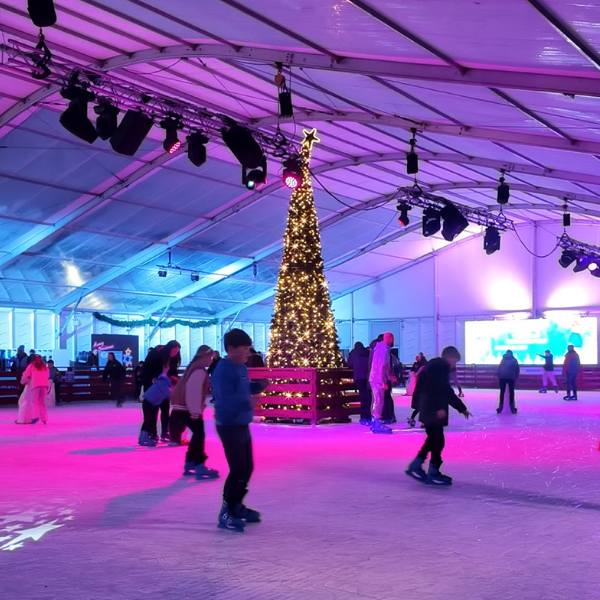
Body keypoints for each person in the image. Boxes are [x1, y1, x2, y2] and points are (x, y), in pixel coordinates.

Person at [211, 329, 269, 532]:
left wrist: (257, 387)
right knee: (238, 468)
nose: (248, 352)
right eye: (244, 348)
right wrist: (249, 403)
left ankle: (236, 505)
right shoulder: (223, 370)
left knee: (247, 467)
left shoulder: (241, 368)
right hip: (228, 425)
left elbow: (243, 387)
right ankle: (227, 511)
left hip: (241, 423)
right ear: (231, 349)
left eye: (248, 348)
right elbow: (225, 400)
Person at [405, 346, 471, 485]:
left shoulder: (436, 365)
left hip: (427, 407)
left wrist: (461, 408)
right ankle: (432, 471)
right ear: (450, 358)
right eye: (455, 361)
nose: (454, 365)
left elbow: (443, 390)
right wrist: (439, 408)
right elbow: (439, 390)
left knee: (433, 439)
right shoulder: (440, 367)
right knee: (437, 440)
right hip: (432, 408)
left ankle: (417, 465)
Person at [170, 345, 219, 479]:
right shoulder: (199, 371)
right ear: (204, 357)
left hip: (182, 408)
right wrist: (195, 411)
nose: (211, 360)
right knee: (199, 435)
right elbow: (193, 391)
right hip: (188, 409)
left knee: (198, 435)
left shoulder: (193, 368)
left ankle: (191, 462)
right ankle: (198, 465)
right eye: (210, 357)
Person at [139, 360, 172, 447]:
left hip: (149, 401)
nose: (169, 368)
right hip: (150, 402)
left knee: (148, 420)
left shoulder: (161, 379)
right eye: (167, 366)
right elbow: (167, 392)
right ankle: (143, 438)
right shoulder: (163, 379)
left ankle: (143, 438)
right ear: (165, 367)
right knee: (148, 420)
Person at [368, 332, 396, 434]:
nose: (393, 341)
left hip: (376, 379)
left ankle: (375, 423)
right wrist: (381, 381)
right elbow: (379, 366)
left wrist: (389, 376)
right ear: (389, 338)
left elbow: (385, 366)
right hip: (377, 379)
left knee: (378, 400)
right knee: (378, 400)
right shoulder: (382, 349)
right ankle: (377, 423)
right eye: (392, 338)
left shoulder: (382, 348)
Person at [16, 355, 50, 425]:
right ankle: (44, 419)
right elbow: (48, 376)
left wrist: (23, 381)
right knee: (42, 402)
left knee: (35, 401)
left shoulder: (31, 366)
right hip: (44, 385)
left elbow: (26, 375)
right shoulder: (45, 367)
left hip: (35, 385)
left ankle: (35, 416)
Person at [348, 341, 371, 425]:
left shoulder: (353, 353)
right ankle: (368, 415)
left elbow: (350, 364)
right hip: (367, 378)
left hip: (359, 377)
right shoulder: (367, 352)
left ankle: (363, 417)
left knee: (363, 398)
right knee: (368, 397)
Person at [407, 353, 429, 427]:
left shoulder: (425, 364)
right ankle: (419, 420)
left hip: (423, 387)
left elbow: (417, 374)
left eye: (417, 357)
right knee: (420, 406)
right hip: (420, 387)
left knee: (422, 406)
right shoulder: (418, 364)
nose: (416, 358)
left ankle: (420, 421)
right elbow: (413, 373)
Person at [497, 350, 520, 414]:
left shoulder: (503, 359)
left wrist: (499, 376)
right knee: (511, 392)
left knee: (502, 392)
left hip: (502, 377)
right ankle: (512, 408)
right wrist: (516, 377)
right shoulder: (514, 360)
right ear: (512, 354)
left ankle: (500, 408)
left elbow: (499, 368)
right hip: (511, 377)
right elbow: (517, 369)